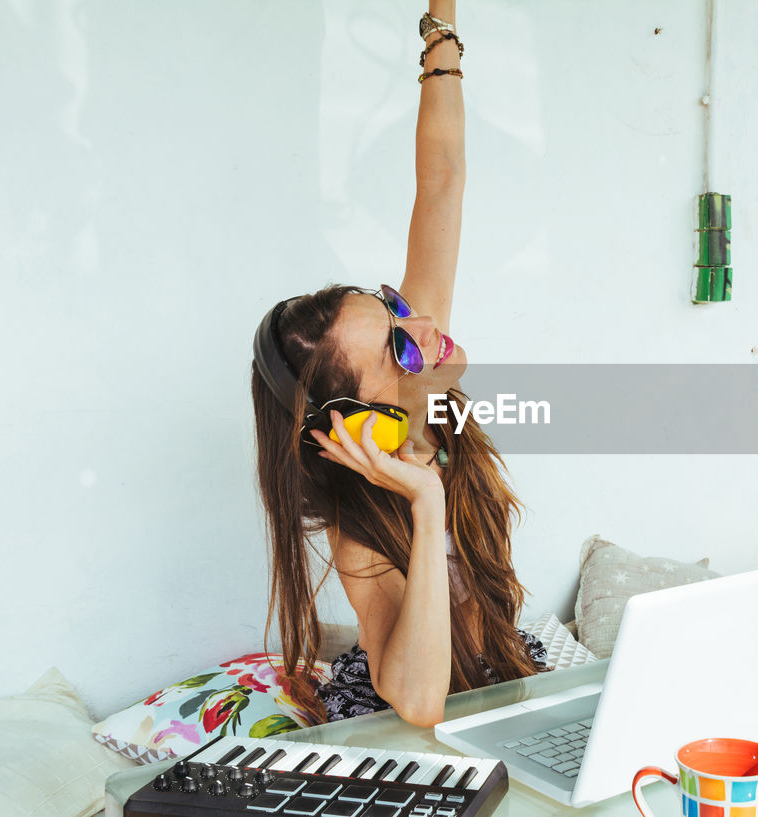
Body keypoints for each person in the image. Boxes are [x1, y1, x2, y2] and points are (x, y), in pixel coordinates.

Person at [250, 2, 546, 729]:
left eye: (393, 305)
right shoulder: (363, 533)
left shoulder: (425, 383)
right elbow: (417, 700)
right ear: (356, 419)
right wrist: (426, 501)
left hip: (496, 675)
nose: (423, 327)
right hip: (423, 718)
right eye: (396, 345)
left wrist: (439, 25)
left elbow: (441, 177)